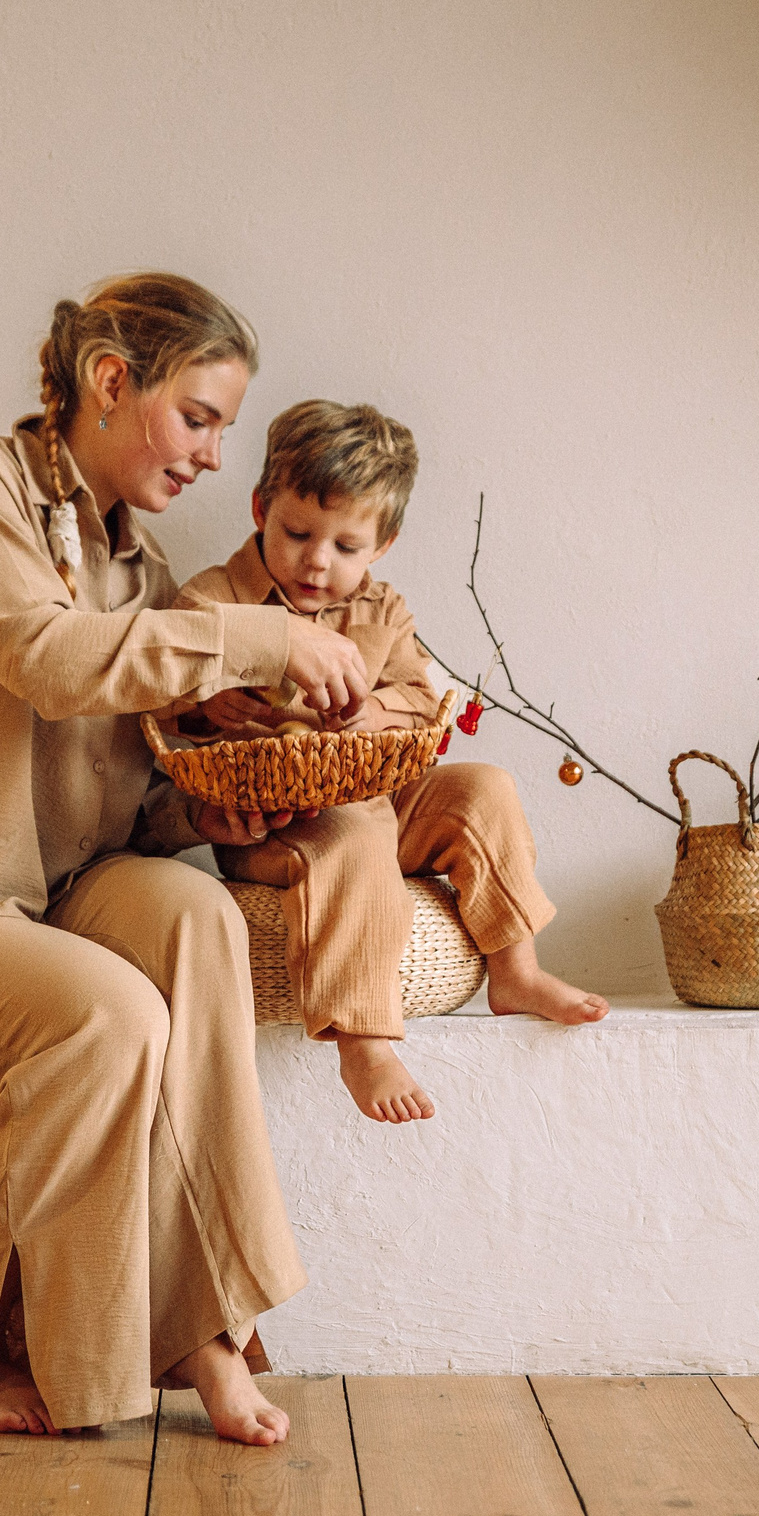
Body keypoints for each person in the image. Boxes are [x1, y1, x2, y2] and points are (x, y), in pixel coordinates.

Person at [0, 274, 376, 1446]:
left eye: (222, 426)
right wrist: (263, 632)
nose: (215, 455)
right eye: (201, 415)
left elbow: (125, 802)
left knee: (194, 918)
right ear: (110, 381)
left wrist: (218, 814)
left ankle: (203, 1334)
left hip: (47, 901)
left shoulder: (141, 573)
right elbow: (48, 660)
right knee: (108, 1016)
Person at [167, 399, 610, 1124]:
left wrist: (373, 710)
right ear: (259, 509)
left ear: (384, 543)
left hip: (380, 793)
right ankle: (364, 1038)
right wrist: (208, 702)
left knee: (483, 788)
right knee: (353, 835)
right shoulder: (214, 599)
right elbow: (166, 687)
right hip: (281, 821)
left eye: (346, 546)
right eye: (298, 533)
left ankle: (516, 970)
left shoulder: (383, 609)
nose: (317, 560)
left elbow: (420, 695)